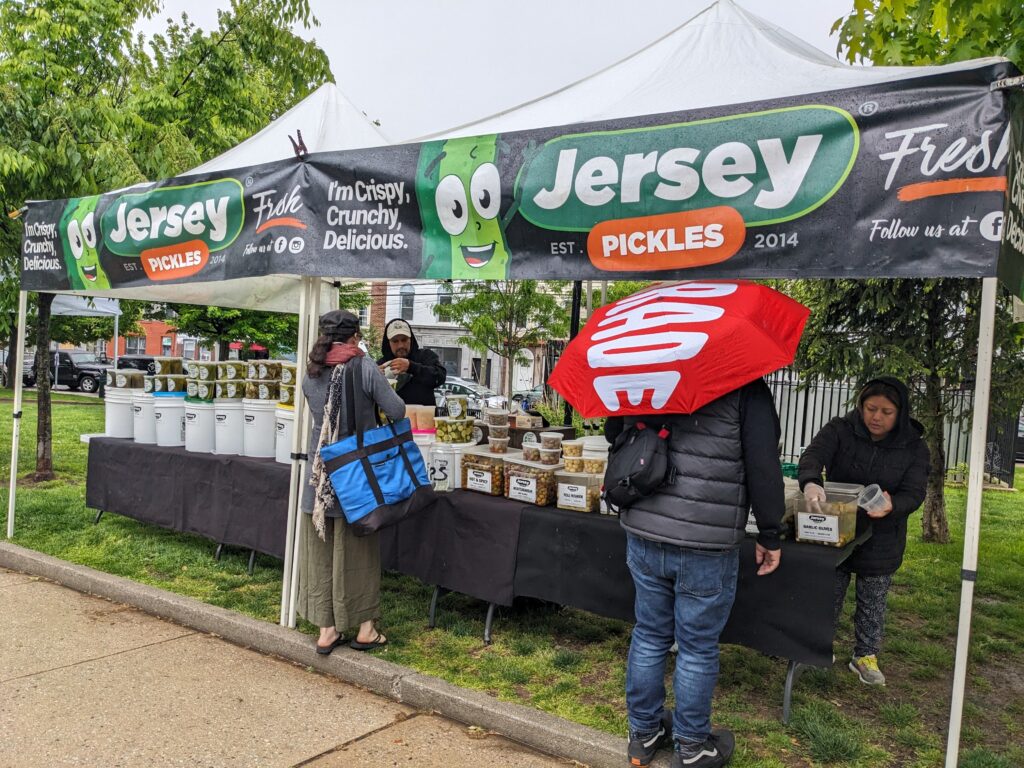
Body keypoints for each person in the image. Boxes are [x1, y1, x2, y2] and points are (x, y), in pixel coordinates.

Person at [612, 378, 784, 768]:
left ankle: (643, 734)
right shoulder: (744, 382)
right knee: (696, 646)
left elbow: (614, 431)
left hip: (645, 524)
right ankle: (691, 747)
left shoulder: (646, 368)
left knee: (650, 634)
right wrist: (771, 531)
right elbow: (763, 461)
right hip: (706, 538)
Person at [798, 376, 929, 686]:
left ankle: (865, 655)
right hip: (838, 526)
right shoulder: (841, 429)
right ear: (860, 406)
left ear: (900, 413)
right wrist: (812, 482)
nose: (876, 417)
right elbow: (813, 456)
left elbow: (915, 492)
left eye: (886, 411)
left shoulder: (914, 446)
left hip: (884, 535)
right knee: (828, 591)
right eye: (871, 408)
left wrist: (892, 504)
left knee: (873, 597)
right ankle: (818, 646)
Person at [298, 309, 406, 655]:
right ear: (354, 336)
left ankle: (326, 631)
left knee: (320, 551)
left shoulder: (310, 373)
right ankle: (365, 629)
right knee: (359, 551)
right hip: (356, 475)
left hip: (319, 476)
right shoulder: (363, 367)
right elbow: (398, 410)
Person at [377, 318, 447, 406]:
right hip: (392, 419)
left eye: (404, 340)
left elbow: (440, 377)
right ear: (388, 343)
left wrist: (411, 367)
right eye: (395, 341)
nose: (401, 345)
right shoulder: (381, 365)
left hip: (423, 417)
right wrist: (374, 379)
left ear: (411, 340)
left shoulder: (425, 356)